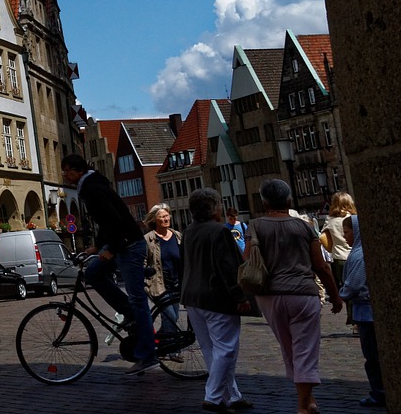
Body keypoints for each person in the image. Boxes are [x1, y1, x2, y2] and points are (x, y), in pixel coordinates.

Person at [61, 153, 157, 375]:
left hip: (129, 245)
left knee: (138, 299)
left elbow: (114, 219)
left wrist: (111, 248)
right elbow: (105, 221)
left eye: (67, 170)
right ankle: (128, 312)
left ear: (78, 171)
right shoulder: (91, 185)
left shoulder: (92, 189)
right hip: (119, 243)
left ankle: (147, 354)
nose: (65, 174)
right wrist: (99, 246)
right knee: (93, 273)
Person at [252, 179, 342, 414]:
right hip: (302, 293)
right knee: (305, 347)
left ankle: (307, 398)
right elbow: (321, 266)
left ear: (264, 202)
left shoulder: (256, 226)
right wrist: (336, 296)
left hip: (270, 296)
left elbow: (248, 261)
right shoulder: (304, 227)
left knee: (289, 347)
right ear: (289, 200)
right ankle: (304, 403)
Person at [181, 188, 255, 414]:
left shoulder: (189, 231)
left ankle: (232, 395)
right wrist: (240, 296)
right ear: (213, 208)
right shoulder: (220, 232)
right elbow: (229, 268)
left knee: (210, 349)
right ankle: (213, 396)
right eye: (220, 204)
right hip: (216, 298)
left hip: (193, 297)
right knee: (226, 348)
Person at [338, 215, 383, 408]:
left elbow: (353, 284)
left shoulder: (359, 255)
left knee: (372, 356)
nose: (344, 236)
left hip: (365, 311)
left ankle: (379, 392)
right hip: (367, 310)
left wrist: (342, 293)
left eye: (346, 232)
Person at [143, 203, 183, 333]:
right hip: (158, 284)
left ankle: (159, 342)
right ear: (154, 219)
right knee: (170, 317)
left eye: (167, 216)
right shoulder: (149, 239)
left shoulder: (177, 235)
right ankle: (172, 349)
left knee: (174, 317)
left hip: (175, 284)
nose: (166, 219)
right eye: (162, 217)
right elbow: (142, 261)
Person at [321, 192, 356, 326]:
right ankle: (355, 318)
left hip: (338, 258)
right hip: (354, 254)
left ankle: (351, 317)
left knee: (345, 287)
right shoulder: (352, 217)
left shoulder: (330, 220)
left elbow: (322, 236)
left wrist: (331, 247)